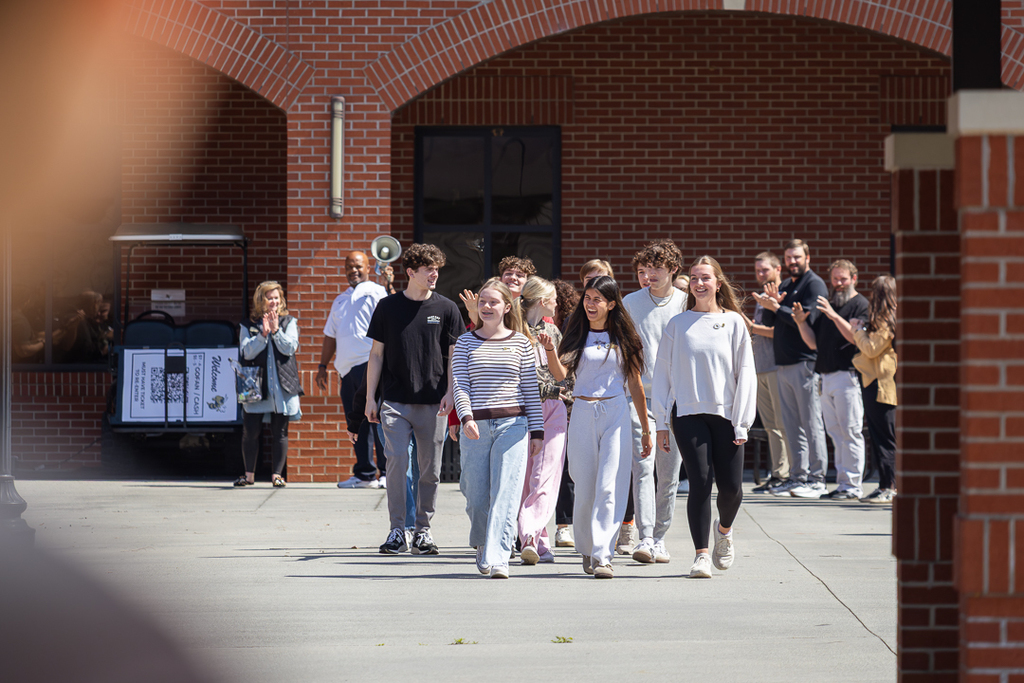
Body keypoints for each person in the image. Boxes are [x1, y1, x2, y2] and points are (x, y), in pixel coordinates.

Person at [540, 275, 651, 579]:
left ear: (612, 304)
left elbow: (636, 385)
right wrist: (550, 349)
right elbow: (561, 375)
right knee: (585, 485)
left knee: (609, 485)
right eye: (587, 298)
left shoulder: (625, 339)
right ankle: (587, 548)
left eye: (597, 299)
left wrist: (646, 428)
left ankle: (604, 554)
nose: (590, 303)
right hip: (583, 412)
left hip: (615, 412)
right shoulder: (576, 334)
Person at [653, 256, 756, 579]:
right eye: (694, 277)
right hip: (687, 414)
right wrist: (659, 422)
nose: (699, 283)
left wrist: (741, 420)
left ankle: (723, 530)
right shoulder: (677, 325)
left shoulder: (734, 323)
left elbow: (746, 374)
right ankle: (700, 555)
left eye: (706, 278)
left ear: (718, 283)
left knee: (731, 489)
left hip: (726, 416)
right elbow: (662, 374)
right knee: (700, 481)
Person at [365, 243, 463, 555]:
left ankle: (423, 531)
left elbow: (454, 357)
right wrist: (370, 397)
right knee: (396, 463)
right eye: (428, 269)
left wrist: (451, 393)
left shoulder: (446, 309)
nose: (435, 274)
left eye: (437, 269)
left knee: (430, 471)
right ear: (411, 272)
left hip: (434, 403)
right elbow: (376, 355)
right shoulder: (387, 307)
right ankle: (397, 530)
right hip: (394, 402)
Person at [453, 280, 544, 578]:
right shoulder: (465, 342)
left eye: (494, 302)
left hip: (513, 424)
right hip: (475, 425)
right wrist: (466, 418)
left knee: (506, 491)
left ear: (507, 306)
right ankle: (482, 543)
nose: (487, 307)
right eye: (483, 302)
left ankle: (499, 555)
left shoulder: (520, 342)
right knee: (477, 495)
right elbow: (460, 385)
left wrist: (538, 431)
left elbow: (530, 389)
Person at [622, 240, 687, 565]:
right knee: (642, 466)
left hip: (678, 400)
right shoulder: (631, 302)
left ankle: (660, 537)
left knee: (669, 471)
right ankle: (646, 537)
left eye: (657, 268)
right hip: (640, 396)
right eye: (645, 269)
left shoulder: (687, 303)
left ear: (673, 269)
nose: (649, 275)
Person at [753, 239, 830, 499]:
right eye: (788, 258)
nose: (792, 262)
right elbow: (770, 319)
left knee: (811, 423)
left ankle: (817, 479)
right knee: (792, 425)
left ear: (807, 258)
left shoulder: (814, 284)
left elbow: (806, 319)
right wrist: (771, 305)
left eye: (796, 257)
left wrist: (777, 307)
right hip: (782, 363)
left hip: (805, 361)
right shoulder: (786, 285)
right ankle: (797, 478)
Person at [791, 259, 870, 500]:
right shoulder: (829, 306)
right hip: (825, 376)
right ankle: (843, 483)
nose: (837, 284)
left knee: (851, 431)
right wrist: (801, 323)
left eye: (842, 279)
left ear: (854, 279)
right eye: (834, 279)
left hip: (848, 376)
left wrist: (835, 315)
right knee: (836, 433)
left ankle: (853, 486)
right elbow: (814, 343)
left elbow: (856, 339)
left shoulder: (860, 305)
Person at [318, 251, 389, 489]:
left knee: (378, 418)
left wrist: (388, 284)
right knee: (355, 422)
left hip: (371, 365)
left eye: (358, 266)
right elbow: (330, 335)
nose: (353, 270)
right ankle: (364, 474)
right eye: (349, 267)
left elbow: (391, 315)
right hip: (347, 371)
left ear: (368, 267)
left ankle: (387, 473)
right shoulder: (339, 300)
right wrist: (321, 366)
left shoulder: (377, 291)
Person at [517, 277, 568, 565]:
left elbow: (560, 374)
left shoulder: (553, 331)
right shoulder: (513, 329)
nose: (557, 302)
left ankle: (530, 534)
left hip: (554, 408)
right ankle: (536, 539)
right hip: (523, 409)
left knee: (545, 476)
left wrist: (549, 349)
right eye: (553, 298)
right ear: (541, 301)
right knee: (526, 476)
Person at [235, 281, 302, 487]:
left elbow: (290, 348)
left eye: (276, 298)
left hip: (281, 387)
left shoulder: (288, 322)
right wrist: (263, 335)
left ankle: (277, 476)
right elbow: (246, 352)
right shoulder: (248, 325)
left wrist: (275, 331)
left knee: (280, 432)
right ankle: (249, 476)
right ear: (260, 300)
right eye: (269, 297)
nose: (273, 301)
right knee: (251, 432)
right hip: (255, 384)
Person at [851, 276, 898, 504]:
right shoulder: (885, 319)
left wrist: (857, 331)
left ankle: (890, 486)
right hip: (875, 383)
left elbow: (870, 350)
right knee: (880, 437)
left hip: (881, 385)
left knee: (885, 438)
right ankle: (884, 485)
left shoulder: (885, 321)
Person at [749, 252, 791, 492]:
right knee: (770, 426)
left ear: (778, 270)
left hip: (777, 367)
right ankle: (777, 475)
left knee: (783, 424)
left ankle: (787, 475)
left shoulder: (781, 296)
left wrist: (752, 327)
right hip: (760, 368)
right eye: (758, 271)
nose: (761, 274)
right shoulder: (761, 297)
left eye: (765, 270)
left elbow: (780, 332)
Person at [551, 279, 579, 549]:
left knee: (568, 467)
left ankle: (564, 525)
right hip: (542, 402)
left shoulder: (571, 327)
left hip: (569, 402)